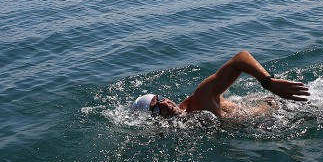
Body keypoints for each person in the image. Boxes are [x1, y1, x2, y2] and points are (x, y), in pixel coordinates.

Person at [132, 50, 310, 119]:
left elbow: (240, 59)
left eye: (160, 98)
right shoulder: (186, 123)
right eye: (156, 108)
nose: (165, 103)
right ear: (154, 119)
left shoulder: (200, 99)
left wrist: (268, 82)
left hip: (286, 107)